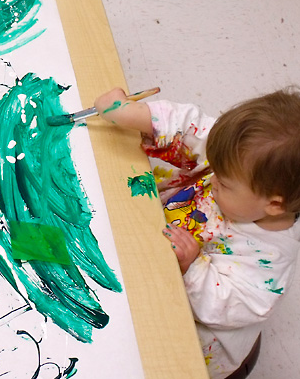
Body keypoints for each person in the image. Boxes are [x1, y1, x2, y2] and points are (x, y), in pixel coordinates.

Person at [94, 87, 300, 378]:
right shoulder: (239, 160)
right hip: (156, 238)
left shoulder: (268, 264)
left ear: (274, 204)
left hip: (196, 341)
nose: (213, 178)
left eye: (225, 184)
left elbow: (225, 306)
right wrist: (132, 114)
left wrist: (193, 267)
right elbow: (189, 127)